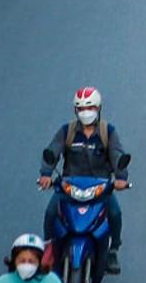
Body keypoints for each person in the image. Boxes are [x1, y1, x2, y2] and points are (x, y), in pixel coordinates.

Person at [39, 88, 129, 273]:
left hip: (100, 188)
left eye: (90, 107)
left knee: (115, 214)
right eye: (80, 109)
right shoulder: (67, 131)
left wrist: (121, 178)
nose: (85, 112)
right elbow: (52, 151)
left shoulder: (107, 132)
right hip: (69, 186)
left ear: (98, 108)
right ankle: (49, 247)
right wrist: (46, 174)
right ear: (75, 111)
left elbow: (117, 155)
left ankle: (113, 250)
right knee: (50, 213)